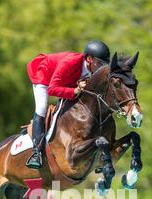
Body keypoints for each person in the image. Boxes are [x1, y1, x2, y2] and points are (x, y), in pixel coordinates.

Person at [26, 40, 110, 169]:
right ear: (89, 59)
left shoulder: (93, 70)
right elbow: (52, 89)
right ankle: (36, 153)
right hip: (44, 75)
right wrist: (75, 90)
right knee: (42, 108)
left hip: (66, 80)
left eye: (104, 65)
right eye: (99, 63)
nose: (101, 68)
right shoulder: (69, 62)